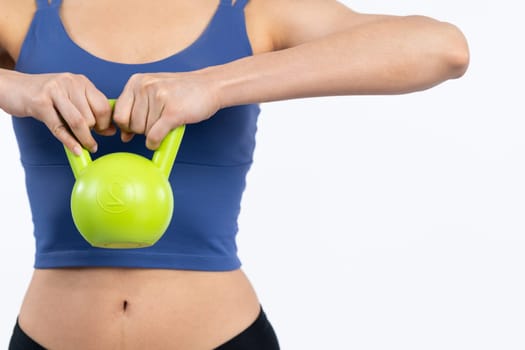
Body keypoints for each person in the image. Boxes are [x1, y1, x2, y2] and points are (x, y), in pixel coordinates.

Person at [0, 0, 469, 349]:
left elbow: (443, 49)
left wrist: (214, 85)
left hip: (225, 338)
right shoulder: (23, 12)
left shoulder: (253, 11)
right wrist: (17, 88)